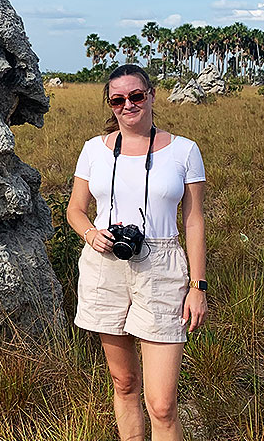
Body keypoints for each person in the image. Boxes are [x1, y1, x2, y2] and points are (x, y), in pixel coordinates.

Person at [66, 64, 208, 441]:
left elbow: (194, 222)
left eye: (136, 96)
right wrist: (91, 234)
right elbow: (74, 209)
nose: (128, 105)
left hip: (161, 266)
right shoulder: (94, 150)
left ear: (151, 96)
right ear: (110, 105)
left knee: (162, 404)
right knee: (124, 382)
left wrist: (198, 286)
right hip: (104, 264)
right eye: (118, 99)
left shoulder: (184, 151)